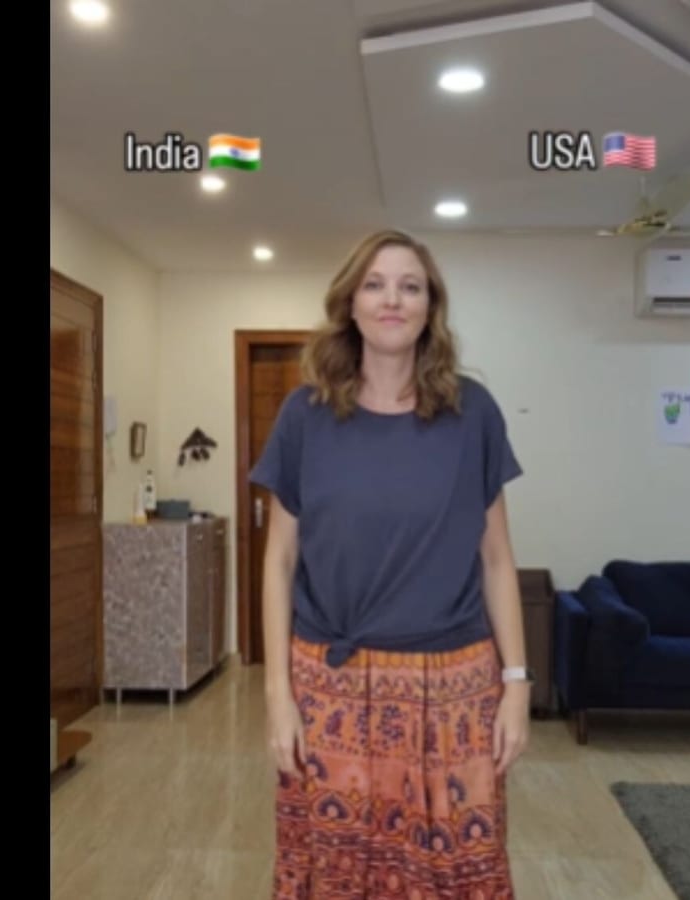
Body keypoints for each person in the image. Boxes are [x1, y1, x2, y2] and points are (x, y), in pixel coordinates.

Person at [250, 228, 530, 899]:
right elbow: (280, 560)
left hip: (454, 689)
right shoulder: (305, 415)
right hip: (331, 688)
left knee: (453, 871)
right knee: (337, 871)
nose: (392, 300)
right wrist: (278, 696)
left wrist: (518, 685)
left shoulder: (472, 412)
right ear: (350, 303)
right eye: (374, 285)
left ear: (431, 307)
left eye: (410, 286)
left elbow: (497, 559)